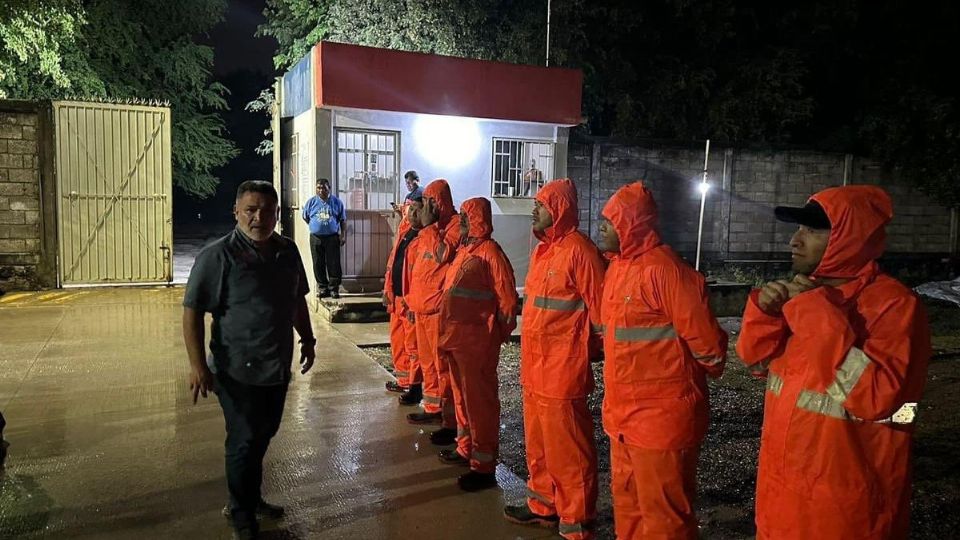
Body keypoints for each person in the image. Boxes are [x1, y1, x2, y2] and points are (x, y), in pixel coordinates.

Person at [736, 185, 931, 540]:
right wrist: (764, 314)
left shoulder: (895, 307)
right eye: (798, 230)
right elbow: (755, 362)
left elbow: (876, 399)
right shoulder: (806, 296)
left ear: (848, 238)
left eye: (811, 231)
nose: (795, 241)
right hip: (780, 501)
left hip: (843, 515)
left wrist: (813, 313)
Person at [183, 180, 316, 540]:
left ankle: (250, 497)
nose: (259, 218)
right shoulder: (217, 257)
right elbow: (193, 311)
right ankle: (240, 512)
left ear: (277, 213)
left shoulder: (287, 252)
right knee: (243, 440)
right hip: (234, 369)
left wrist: (308, 338)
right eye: (251, 210)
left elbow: (296, 300)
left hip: (275, 366)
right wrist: (198, 365)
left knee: (262, 435)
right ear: (236, 212)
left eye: (267, 210)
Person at [597, 182, 728, 539]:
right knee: (630, 510)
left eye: (611, 220)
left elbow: (710, 349)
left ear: (631, 225)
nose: (602, 227)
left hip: (661, 422)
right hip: (624, 420)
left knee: (665, 521)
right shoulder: (618, 270)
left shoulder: (667, 271)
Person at [504, 179, 605, 540]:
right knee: (540, 443)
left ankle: (578, 521)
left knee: (570, 451)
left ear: (559, 209)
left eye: (542, 204)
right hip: (536, 368)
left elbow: (602, 314)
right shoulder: (543, 252)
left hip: (563, 369)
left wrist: (585, 352)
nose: (535, 209)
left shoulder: (581, 252)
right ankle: (544, 506)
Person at [437, 197, 519, 491]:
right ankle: (466, 449)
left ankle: (483, 466)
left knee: (480, 405)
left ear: (477, 220)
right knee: (462, 400)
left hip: (476, 345)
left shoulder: (490, 254)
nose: (460, 222)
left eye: (465, 217)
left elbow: (508, 303)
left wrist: (492, 338)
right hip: (457, 341)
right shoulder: (464, 252)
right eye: (460, 216)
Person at [403, 179, 460, 446]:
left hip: (439, 312)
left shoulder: (454, 227)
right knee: (429, 365)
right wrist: (413, 304)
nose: (426, 206)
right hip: (423, 310)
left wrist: (428, 227)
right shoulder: (431, 230)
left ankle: (450, 422)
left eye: (430, 202)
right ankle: (434, 409)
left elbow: (441, 255)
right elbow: (421, 274)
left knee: (443, 368)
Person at [383, 199, 424, 405]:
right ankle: (404, 379)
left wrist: (413, 301)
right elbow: (394, 264)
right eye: (409, 211)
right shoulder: (407, 232)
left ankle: (414, 385)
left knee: (413, 346)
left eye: (416, 210)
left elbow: (420, 276)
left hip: (409, 301)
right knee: (398, 341)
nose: (411, 214)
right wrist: (388, 291)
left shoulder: (423, 237)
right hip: (398, 298)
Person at [302, 178, 346, 299]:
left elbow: (342, 220)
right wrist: (316, 226)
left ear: (329, 188)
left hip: (332, 238)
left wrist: (342, 235)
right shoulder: (311, 202)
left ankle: (334, 289)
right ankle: (323, 288)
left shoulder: (337, 202)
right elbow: (306, 217)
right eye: (319, 188)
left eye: (324, 188)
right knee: (318, 263)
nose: (321, 190)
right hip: (316, 238)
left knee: (334, 263)